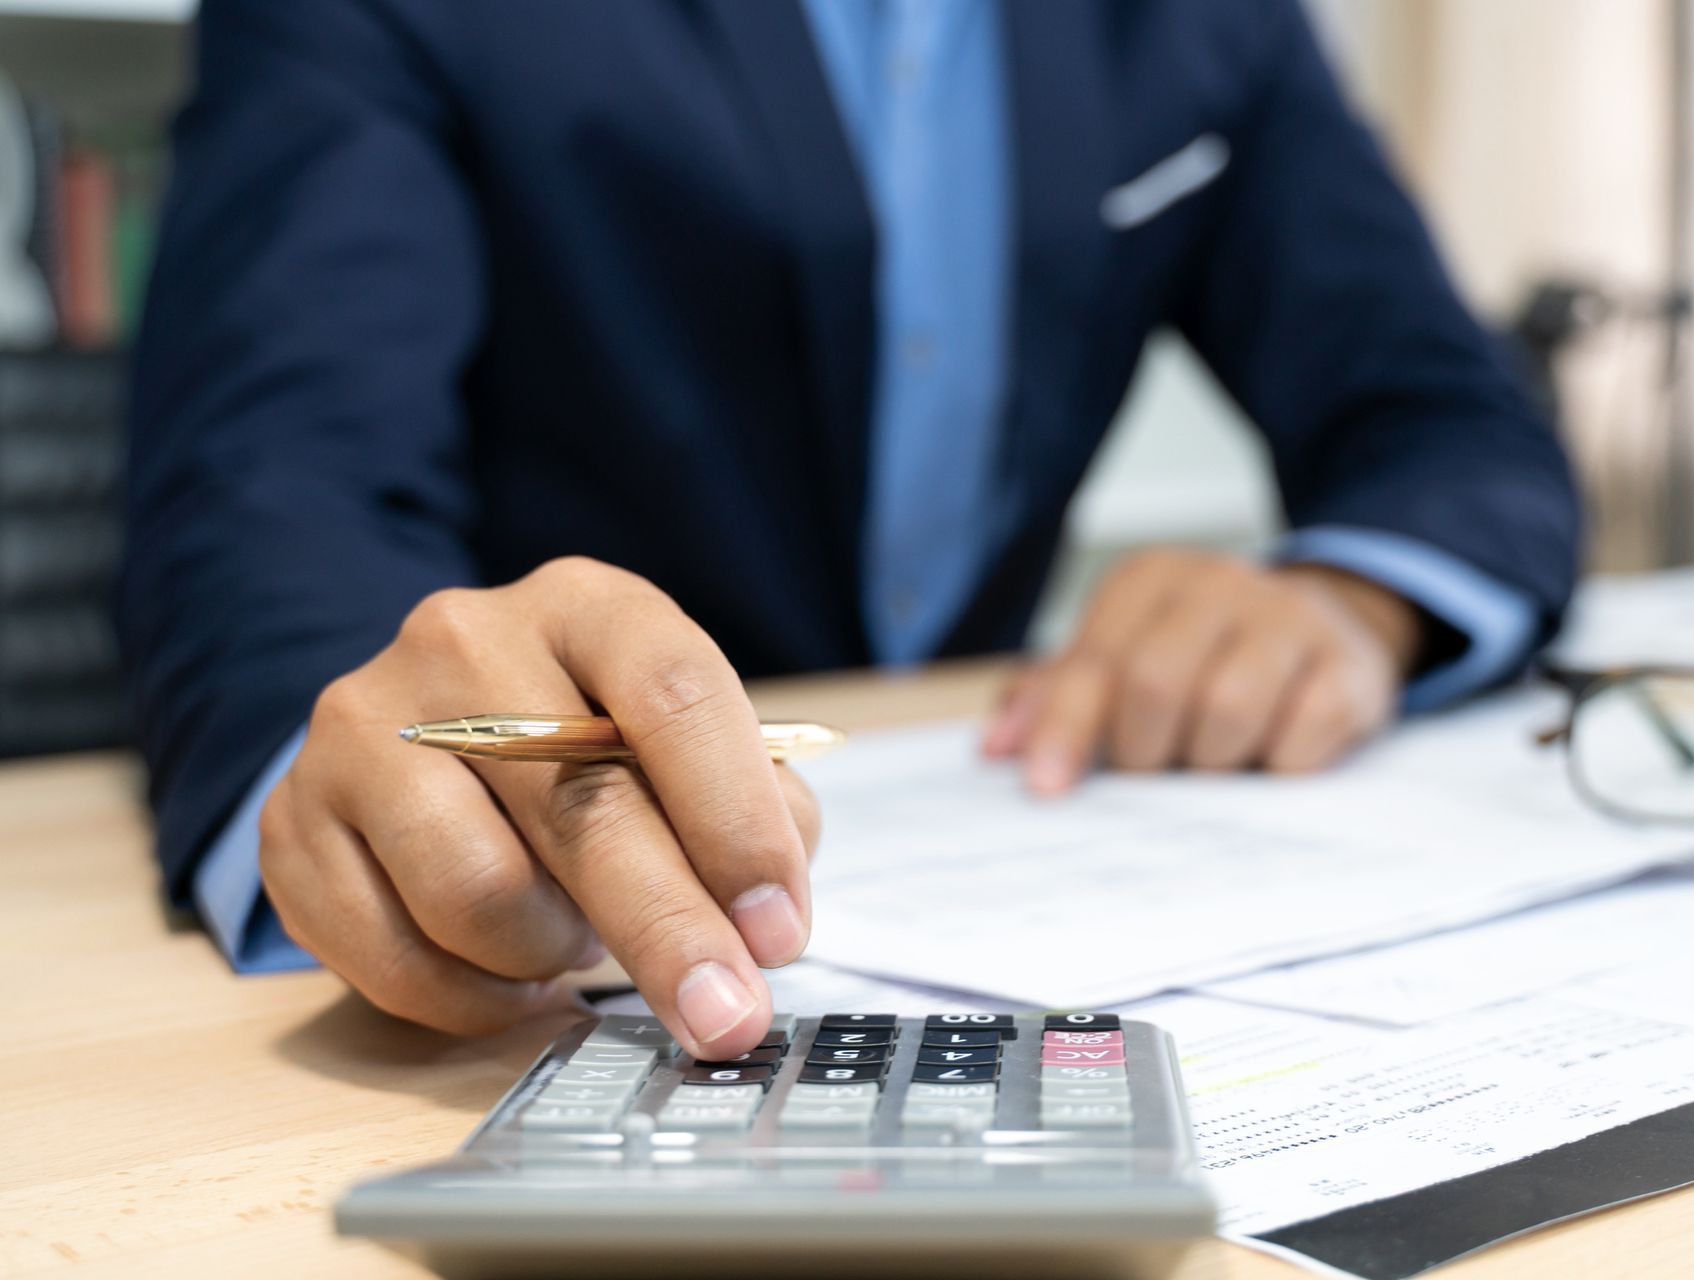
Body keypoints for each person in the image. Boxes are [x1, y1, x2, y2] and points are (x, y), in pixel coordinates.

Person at [119, 0, 1578, 1061]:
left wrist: (1346, 600)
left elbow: (1452, 422)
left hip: (1014, 851)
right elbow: (270, 478)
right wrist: (356, 784)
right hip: (542, 879)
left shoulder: (1210, 21)